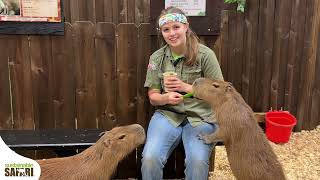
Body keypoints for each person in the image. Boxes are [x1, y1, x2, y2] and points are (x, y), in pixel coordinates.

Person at [141, 6, 224, 180]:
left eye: (176, 27)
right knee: (150, 158)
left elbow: (221, 94)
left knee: (198, 160)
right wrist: (165, 98)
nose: (172, 33)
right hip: (168, 115)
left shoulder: (205, 55)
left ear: (186, 26)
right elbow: (153, 97)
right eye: (166, 29)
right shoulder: (157, 58)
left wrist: (186, 87)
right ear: (161, 32)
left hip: (201, 117)